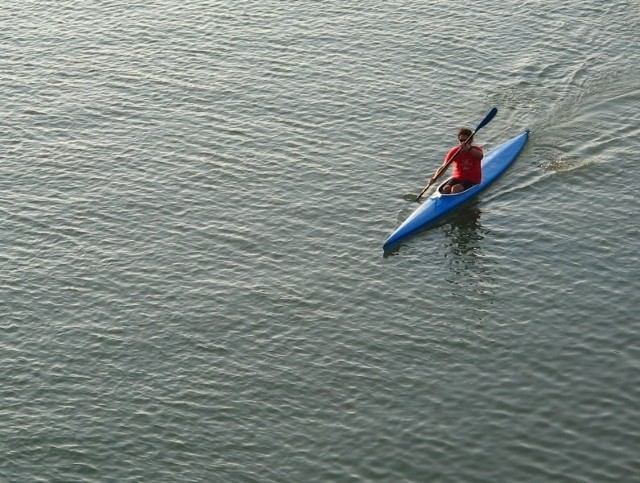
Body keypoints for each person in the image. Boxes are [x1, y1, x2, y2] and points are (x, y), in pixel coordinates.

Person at [440, 127, 484, 194]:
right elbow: (444, 166)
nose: (463, 143)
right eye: (461, 140)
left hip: (473, 180)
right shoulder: (454, 151)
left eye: (465, 140)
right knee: (446, 188)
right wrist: (434, 179)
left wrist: (468, 149)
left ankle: (454, 202)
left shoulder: (476, 150)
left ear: (470, 140)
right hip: (458, 178)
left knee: (455, 188)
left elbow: (480, 156)